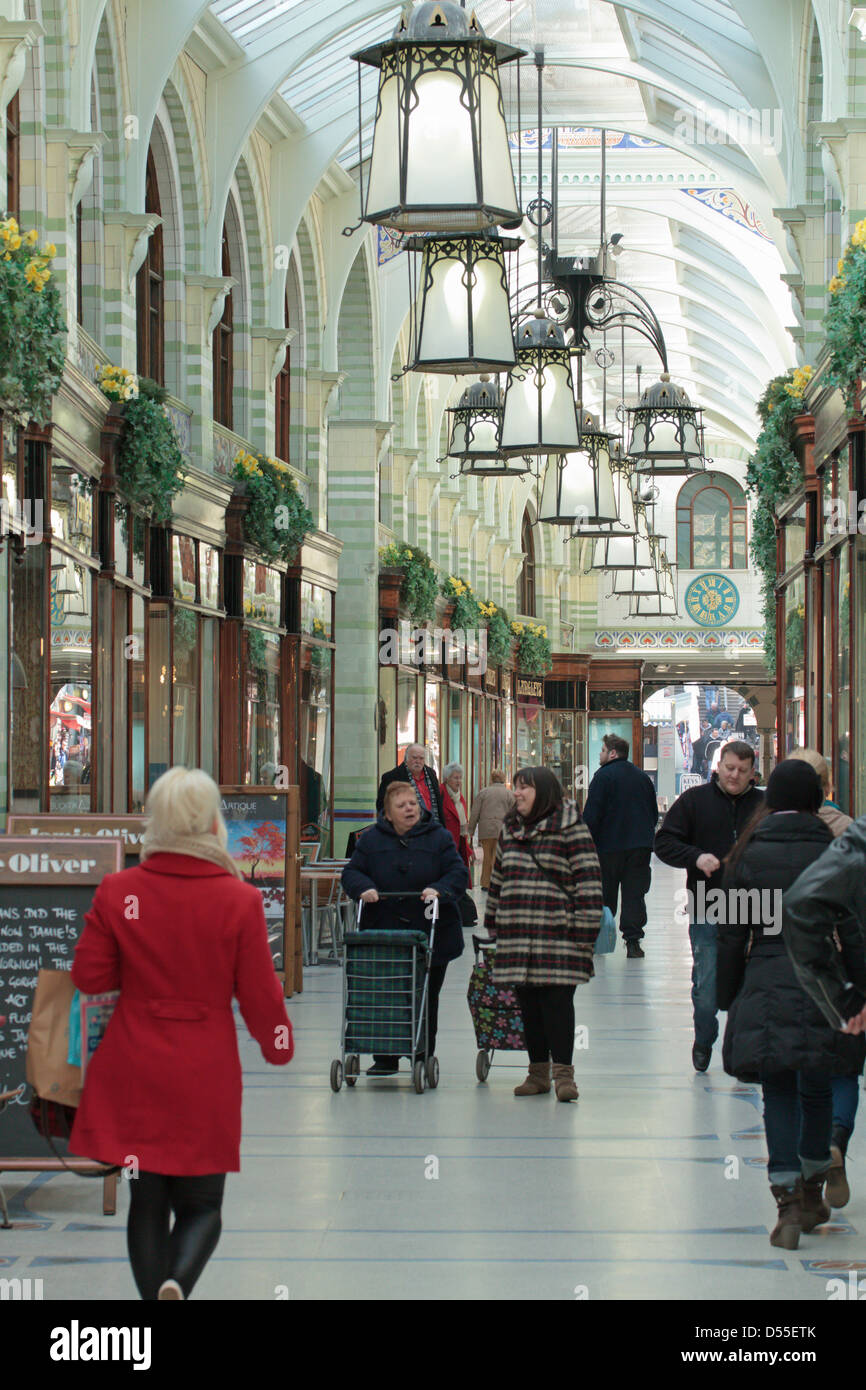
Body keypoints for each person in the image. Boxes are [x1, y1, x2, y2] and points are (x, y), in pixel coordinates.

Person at [69, 767, 294, 1301]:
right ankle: (177, 1282)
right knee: (203, 1207)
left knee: (145, 1203)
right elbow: (261, 997)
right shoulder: (239, 901)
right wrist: (278, 1044)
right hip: (204, 1070)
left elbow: (89, 977)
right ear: (212, 823)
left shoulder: (119, 890)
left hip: (133, 1066)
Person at [717, 760, 865, 1249]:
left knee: (777, 1090)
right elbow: (853, 931)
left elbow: (733, 934)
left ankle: (785, 1205)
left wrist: (728, 993)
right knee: (818, 1087)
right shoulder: (834, 852)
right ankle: (811, 1188)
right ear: (818, 800)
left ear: (771, 801)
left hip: (766, 975)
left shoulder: (747, 855)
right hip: (823, 980)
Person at [483, 767, 603, 1102]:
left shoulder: (572, 828)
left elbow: (589, 880)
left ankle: (564, 1075)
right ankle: (537, 1074)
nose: (517, 793)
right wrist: (492, 918)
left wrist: (585, 930)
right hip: (517, 929)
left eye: (525, 788)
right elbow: (499, 877)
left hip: (559, 932)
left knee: (558, 1003)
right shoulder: (510, 829)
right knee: (529, 1005)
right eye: (516, 787)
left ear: (544, 792)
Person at [341, 781, 467, 1076]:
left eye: (413, 803)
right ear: (387, 814)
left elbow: (458, 872)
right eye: (401, 806)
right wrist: (364, 888)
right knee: (384, 991)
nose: (410, 809)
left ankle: (422, 1054)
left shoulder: (438, 837)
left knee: (425, 994)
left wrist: (439, 888)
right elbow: (352, 872)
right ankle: (385, 1056)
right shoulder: (371, 841)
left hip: (432, 930)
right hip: (384, 930)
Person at [654, 740, 764, 1072]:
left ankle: (745, 1052)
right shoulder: (694, 801)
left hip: (758, 905)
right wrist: (695, 857)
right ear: (718, 766)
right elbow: (664, 842)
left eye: (742, 771)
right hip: (709, 903)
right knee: (707, 982)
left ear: (752, 773)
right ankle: (704, 1037)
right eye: (730, 768)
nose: (734, 776)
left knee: (755, 982)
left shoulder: (764, 805)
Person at [782, 809, 866, 1211]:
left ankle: (808, 1172)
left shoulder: (768, 836)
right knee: (844, 1066)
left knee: (813, 1070)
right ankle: (832, 1142)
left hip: (800, 971)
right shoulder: (848, 833)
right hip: (840, 966)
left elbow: (795, 904)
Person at [581, 733, 658, 959]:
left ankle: (600, 938)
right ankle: (633, 942)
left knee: (605, 893)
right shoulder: (642, 777)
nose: (600, 754)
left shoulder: (602, 777)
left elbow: (592, 815)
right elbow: (653, 814)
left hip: (608, 848)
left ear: (612, 753)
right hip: (639, 848)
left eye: (602, 750)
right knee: (635, 894)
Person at [467, 769, 515, 892]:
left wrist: (471, 830)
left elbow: (475, 812)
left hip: (485, 829)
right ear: (503, 779)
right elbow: (514, 813)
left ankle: (485, 883)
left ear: (491, 779)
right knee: (498, 856)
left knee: (486, 856)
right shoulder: (509, 794)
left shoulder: (483, 793)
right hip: (502, 829)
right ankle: (497, 882)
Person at [376, 742, 444, 824]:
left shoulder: (431, 774)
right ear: (406, 758)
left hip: (433, 828)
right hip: (406, 830)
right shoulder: (392, 777)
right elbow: (382, 806)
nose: (418, 761)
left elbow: (438, 803)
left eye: (421, 758)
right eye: (414, 758)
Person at [441, 762, 472, 874]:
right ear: (447, 779)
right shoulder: (441, 794)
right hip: (446, 843)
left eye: (460, 778)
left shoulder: (460, 797)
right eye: (455, 778)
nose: (459, 781)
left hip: (460, 842)